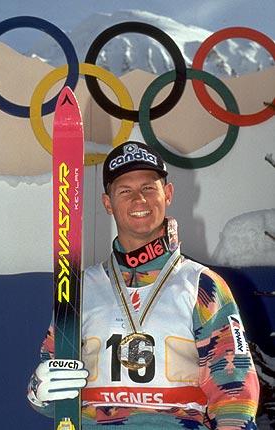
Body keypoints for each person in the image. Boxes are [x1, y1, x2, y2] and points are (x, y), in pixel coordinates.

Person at [28, 141, 260, 429]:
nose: (139, 199)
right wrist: (40, 391)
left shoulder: (202, 285)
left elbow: (235, 393)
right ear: (107, 203)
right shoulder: (79, 288)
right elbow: (51, 381)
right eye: (125, 191)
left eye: (149, 187)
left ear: (168, 194)